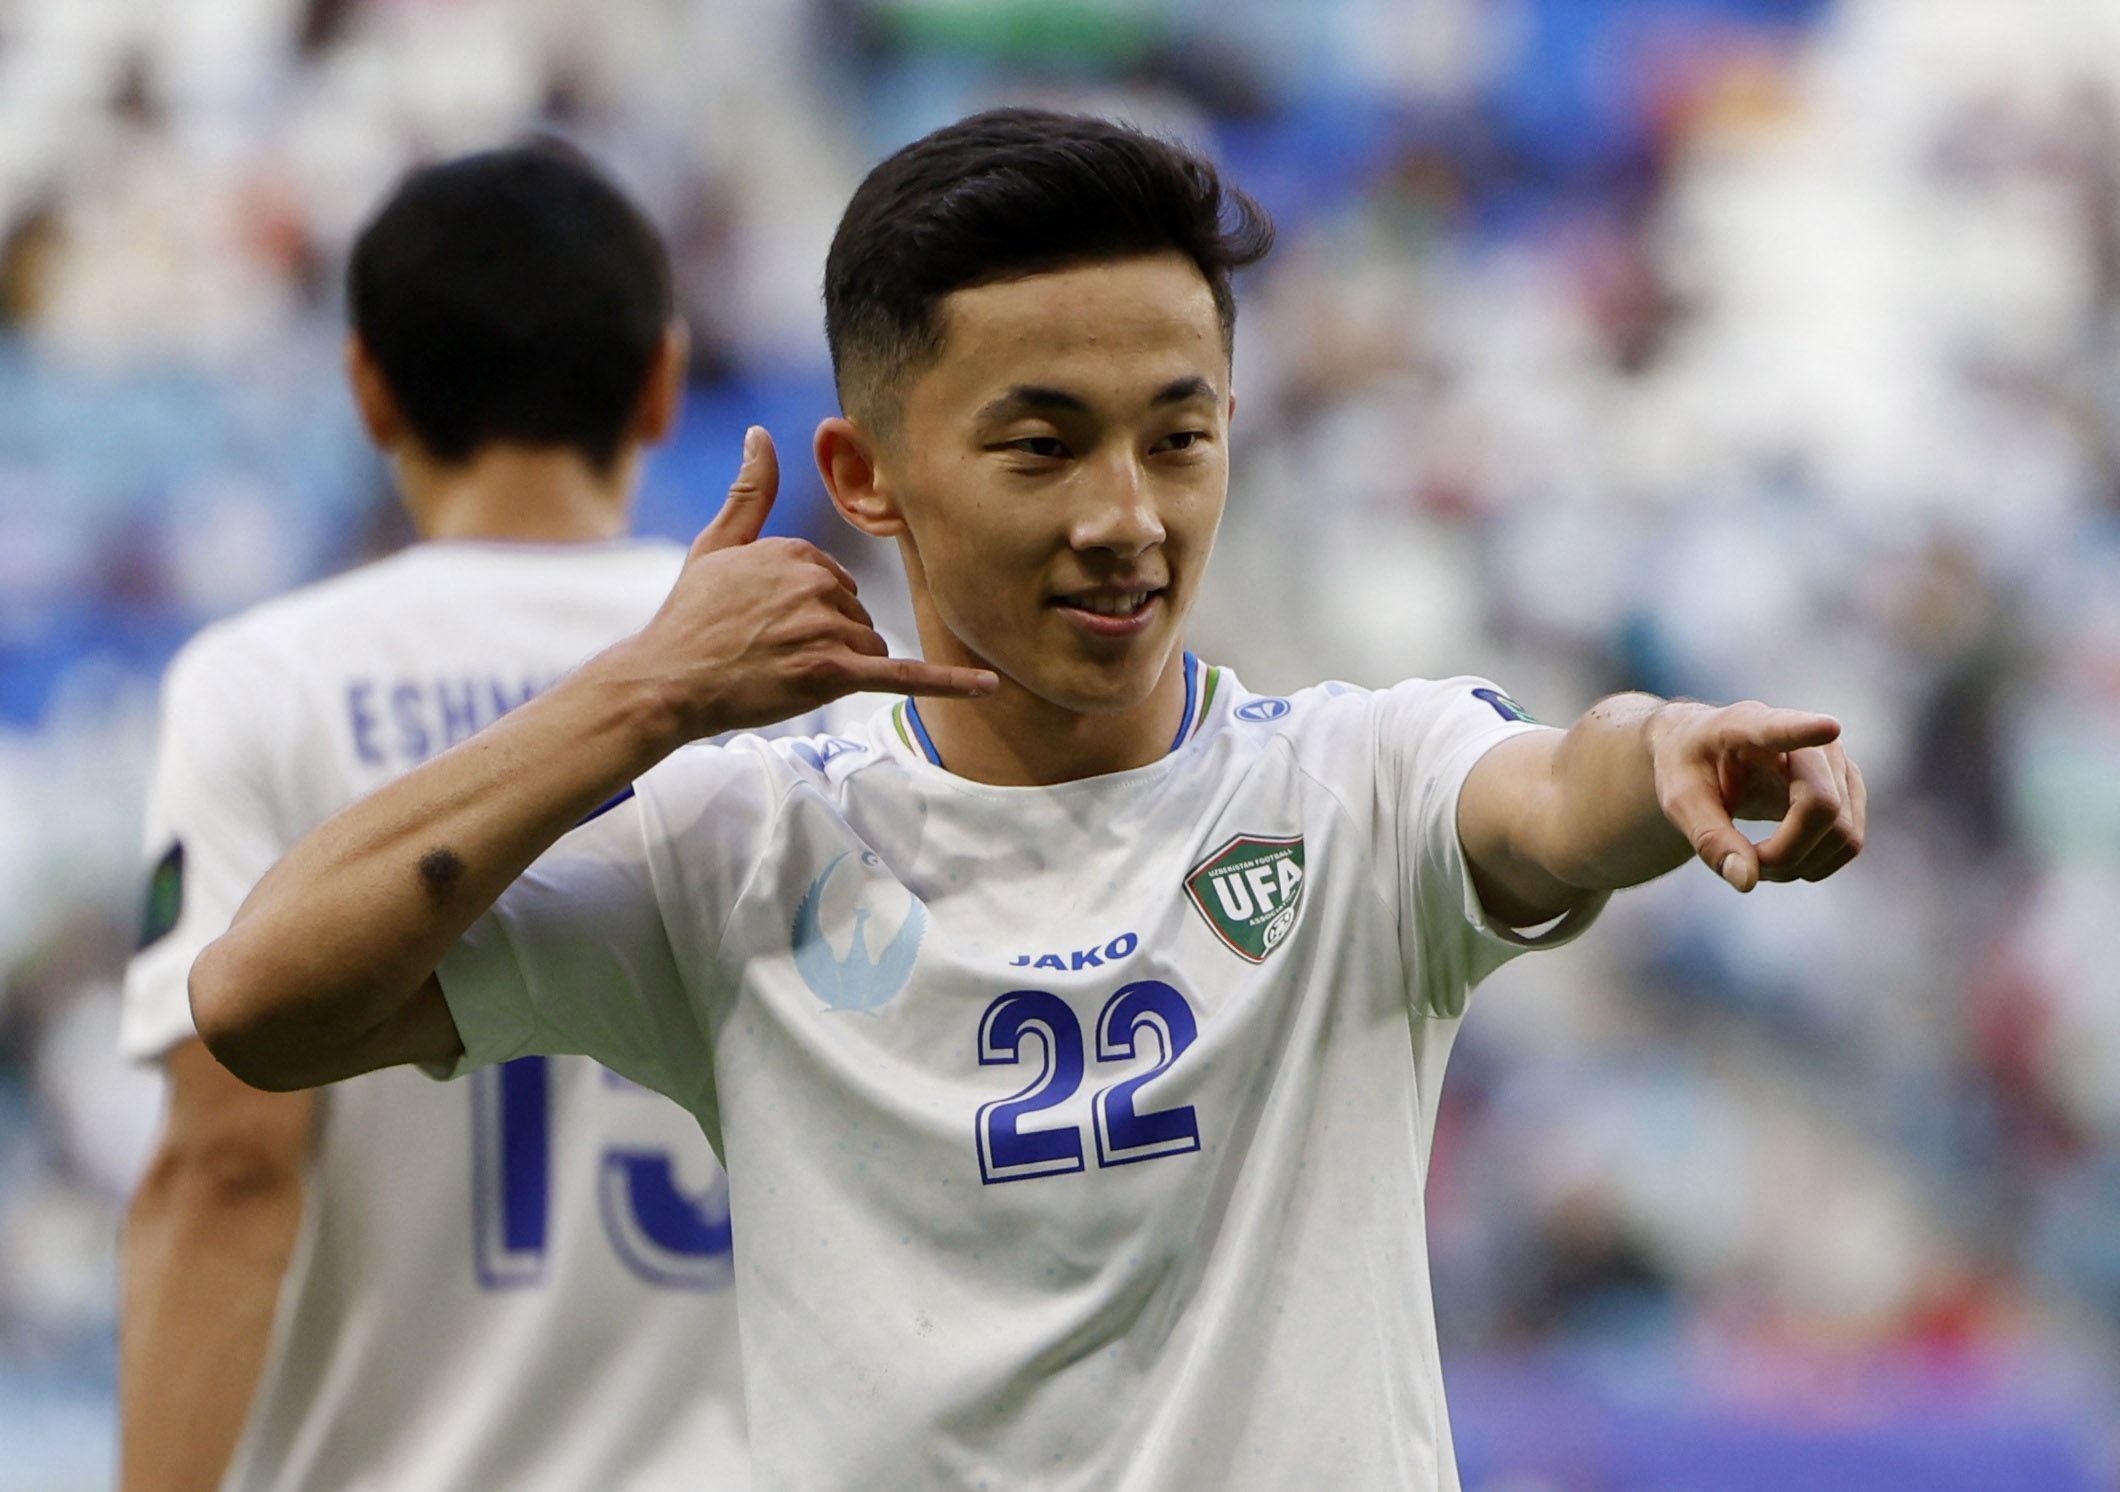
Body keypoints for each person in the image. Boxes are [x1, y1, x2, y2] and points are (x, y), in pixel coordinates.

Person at [188, 110, 1867, 1492]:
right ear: (866, 479)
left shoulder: (1356, 785)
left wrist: (1668, 747)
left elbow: (1553, 792)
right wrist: (641, 696)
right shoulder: (741, 847)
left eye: (1179, 438)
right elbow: (262, 1000)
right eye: (1043, 447)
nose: (1127, 518)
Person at [121, 141, 790, 1491]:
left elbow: (231, 1162)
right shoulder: (802, 680)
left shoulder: (268, 680)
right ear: (663, 382)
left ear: (369, 389)